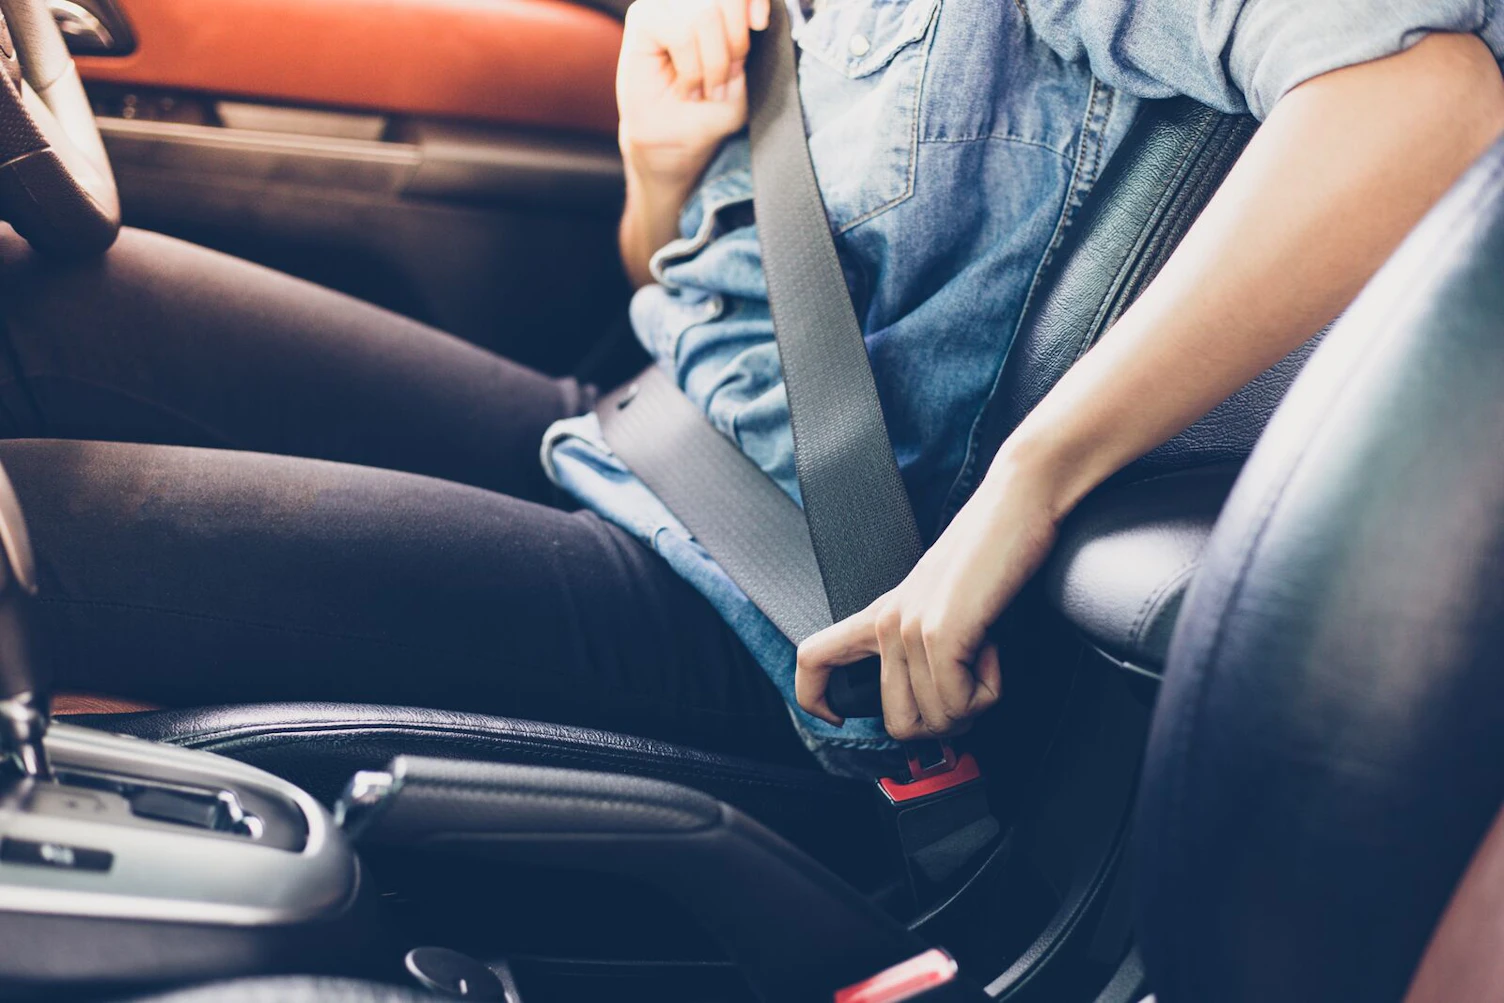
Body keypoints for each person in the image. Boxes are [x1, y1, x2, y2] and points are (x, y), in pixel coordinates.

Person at [1, 0, 1501, 775]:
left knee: (39, 535)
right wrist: (660, 155)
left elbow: (1431, 96)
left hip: (768, 601)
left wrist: (1023, 491)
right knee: (50, 296)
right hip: (637, 435)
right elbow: (675, 276)